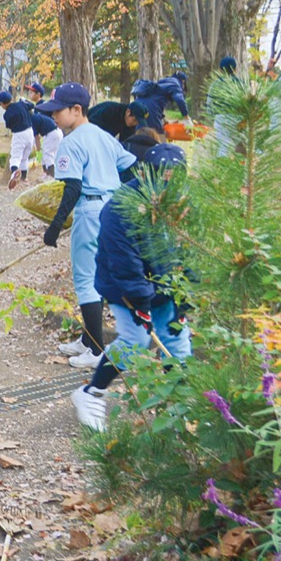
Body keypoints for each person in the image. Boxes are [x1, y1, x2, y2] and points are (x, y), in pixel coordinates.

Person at [72, 144, 192, 429]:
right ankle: (91, 393)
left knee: (176, 338)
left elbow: (190, 251)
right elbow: (123, 259)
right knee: (135, 342)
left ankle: (181, 405)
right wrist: (140, 303)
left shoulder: (182, 201)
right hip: (124, 286)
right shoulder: (121, 207)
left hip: (166, 285)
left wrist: (185, 297)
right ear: (145, 174)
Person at [37, 83, 137, 370]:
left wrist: (54, 227)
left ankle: (95, 349)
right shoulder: (104, 136)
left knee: (85, 278)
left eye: (57, 111)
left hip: (90, 209)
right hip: (113, 209)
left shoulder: (71, 141)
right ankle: (86, 339)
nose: (53, 116)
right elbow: (130, 168)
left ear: (76, 110)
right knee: (98, 274)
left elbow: (72, 188)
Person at [0, 91, 34, 190]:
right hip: (30, 132)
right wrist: (24, 101)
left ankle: (14, 172)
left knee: (16, 157)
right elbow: (32, 106)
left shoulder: (7, 114)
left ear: (2, 103)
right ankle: (24, 178)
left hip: (19, 134)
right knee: (25, 157)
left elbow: (9, 126)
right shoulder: (22, 104)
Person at [30, 110, 62, 177]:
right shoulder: (36, 116)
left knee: (48, 154)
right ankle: (47, 173)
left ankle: (52, 176)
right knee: (50, 154)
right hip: (56, 132)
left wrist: (38, 149)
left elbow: (37, 137)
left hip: (52, 133)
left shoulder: (32, 119)